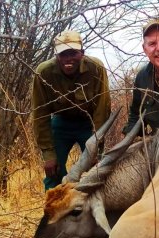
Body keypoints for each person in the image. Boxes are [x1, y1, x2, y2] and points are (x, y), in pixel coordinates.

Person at [32, 30, 111, 190]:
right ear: (56, 55)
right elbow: (40, 114)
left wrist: (96, 143)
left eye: (73, 53)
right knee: (53, 173)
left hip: (89, 125)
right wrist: (49, 154)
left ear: (82, 53)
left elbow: (102, 109)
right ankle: (53, 213)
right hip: (61, 123)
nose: (68, 59)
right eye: (63, 54)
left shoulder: (96, 68)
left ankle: (96, 212)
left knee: (96, 172)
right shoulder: (44, 72)